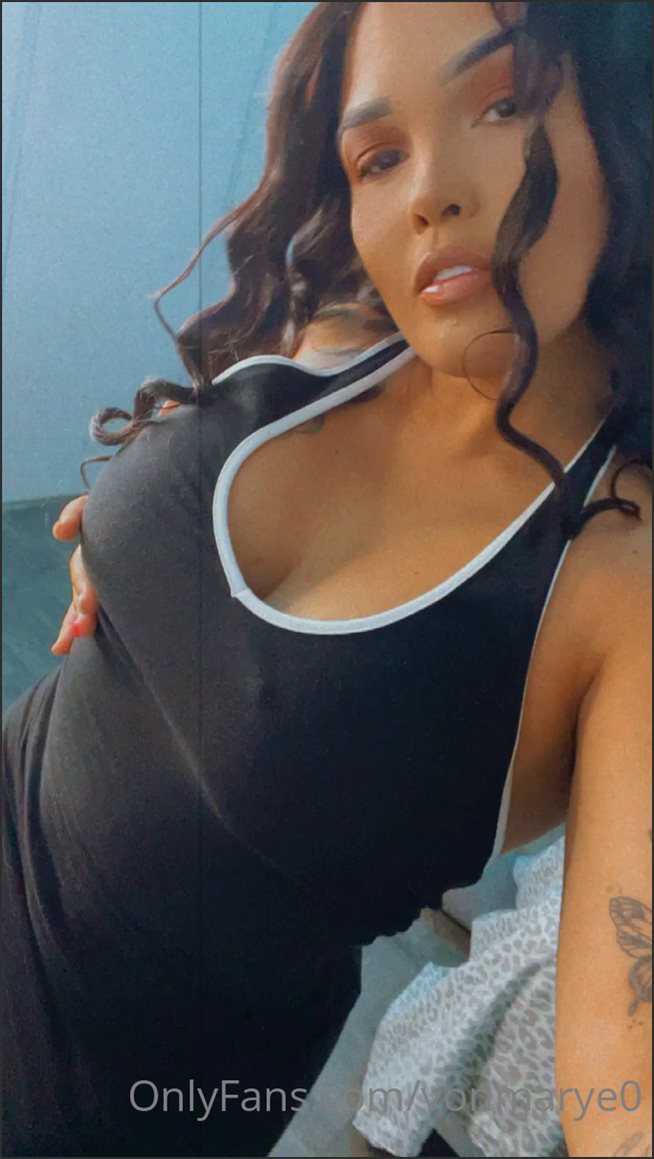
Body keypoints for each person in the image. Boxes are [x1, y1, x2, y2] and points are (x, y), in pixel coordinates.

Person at [3, 3, 651, 1157]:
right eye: (379, 156)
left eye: (504, 101)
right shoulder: (353, 327)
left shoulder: (622, 575)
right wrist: (130, 527)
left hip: (90, 1094)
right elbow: (200, 482)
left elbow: (624, 1090)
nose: (428, 192)